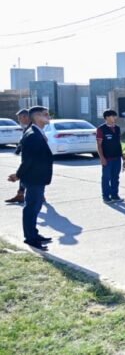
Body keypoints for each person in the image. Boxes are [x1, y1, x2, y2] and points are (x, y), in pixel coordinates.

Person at [9, 106, 53, 251]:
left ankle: (33, 233)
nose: (48, 116)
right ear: (36, 117)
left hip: (37, 177)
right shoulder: (33, 135)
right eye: (45, 114)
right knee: (31, 208)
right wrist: (18, 175)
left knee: (35, 207)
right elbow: (28, 161)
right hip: (34, 178)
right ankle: (31, 238)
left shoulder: (37, 132)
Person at [96, 109, 125, 204]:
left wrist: (122, 154)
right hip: (107, 158)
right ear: (107, 117)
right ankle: (106, 196)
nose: (115, 118)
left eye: (115, 116)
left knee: (115, 177)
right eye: (113, 116)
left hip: (117, 157)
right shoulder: (101, 129)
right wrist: (102, 158)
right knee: (106, 178)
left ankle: (115, 195)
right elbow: (99, 145)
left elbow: (118, 142)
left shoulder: (117, 128)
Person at [5, 109, 31, 204]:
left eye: (20, 118)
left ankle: (21, 195)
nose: (19, 121)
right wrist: (18, 150)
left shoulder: (32, 127)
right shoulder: (27, 127)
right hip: (28, 158)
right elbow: (23, 141)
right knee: (26, 175)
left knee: (25, 175)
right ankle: (20, 194)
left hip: (31, 158)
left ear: (26, 117)